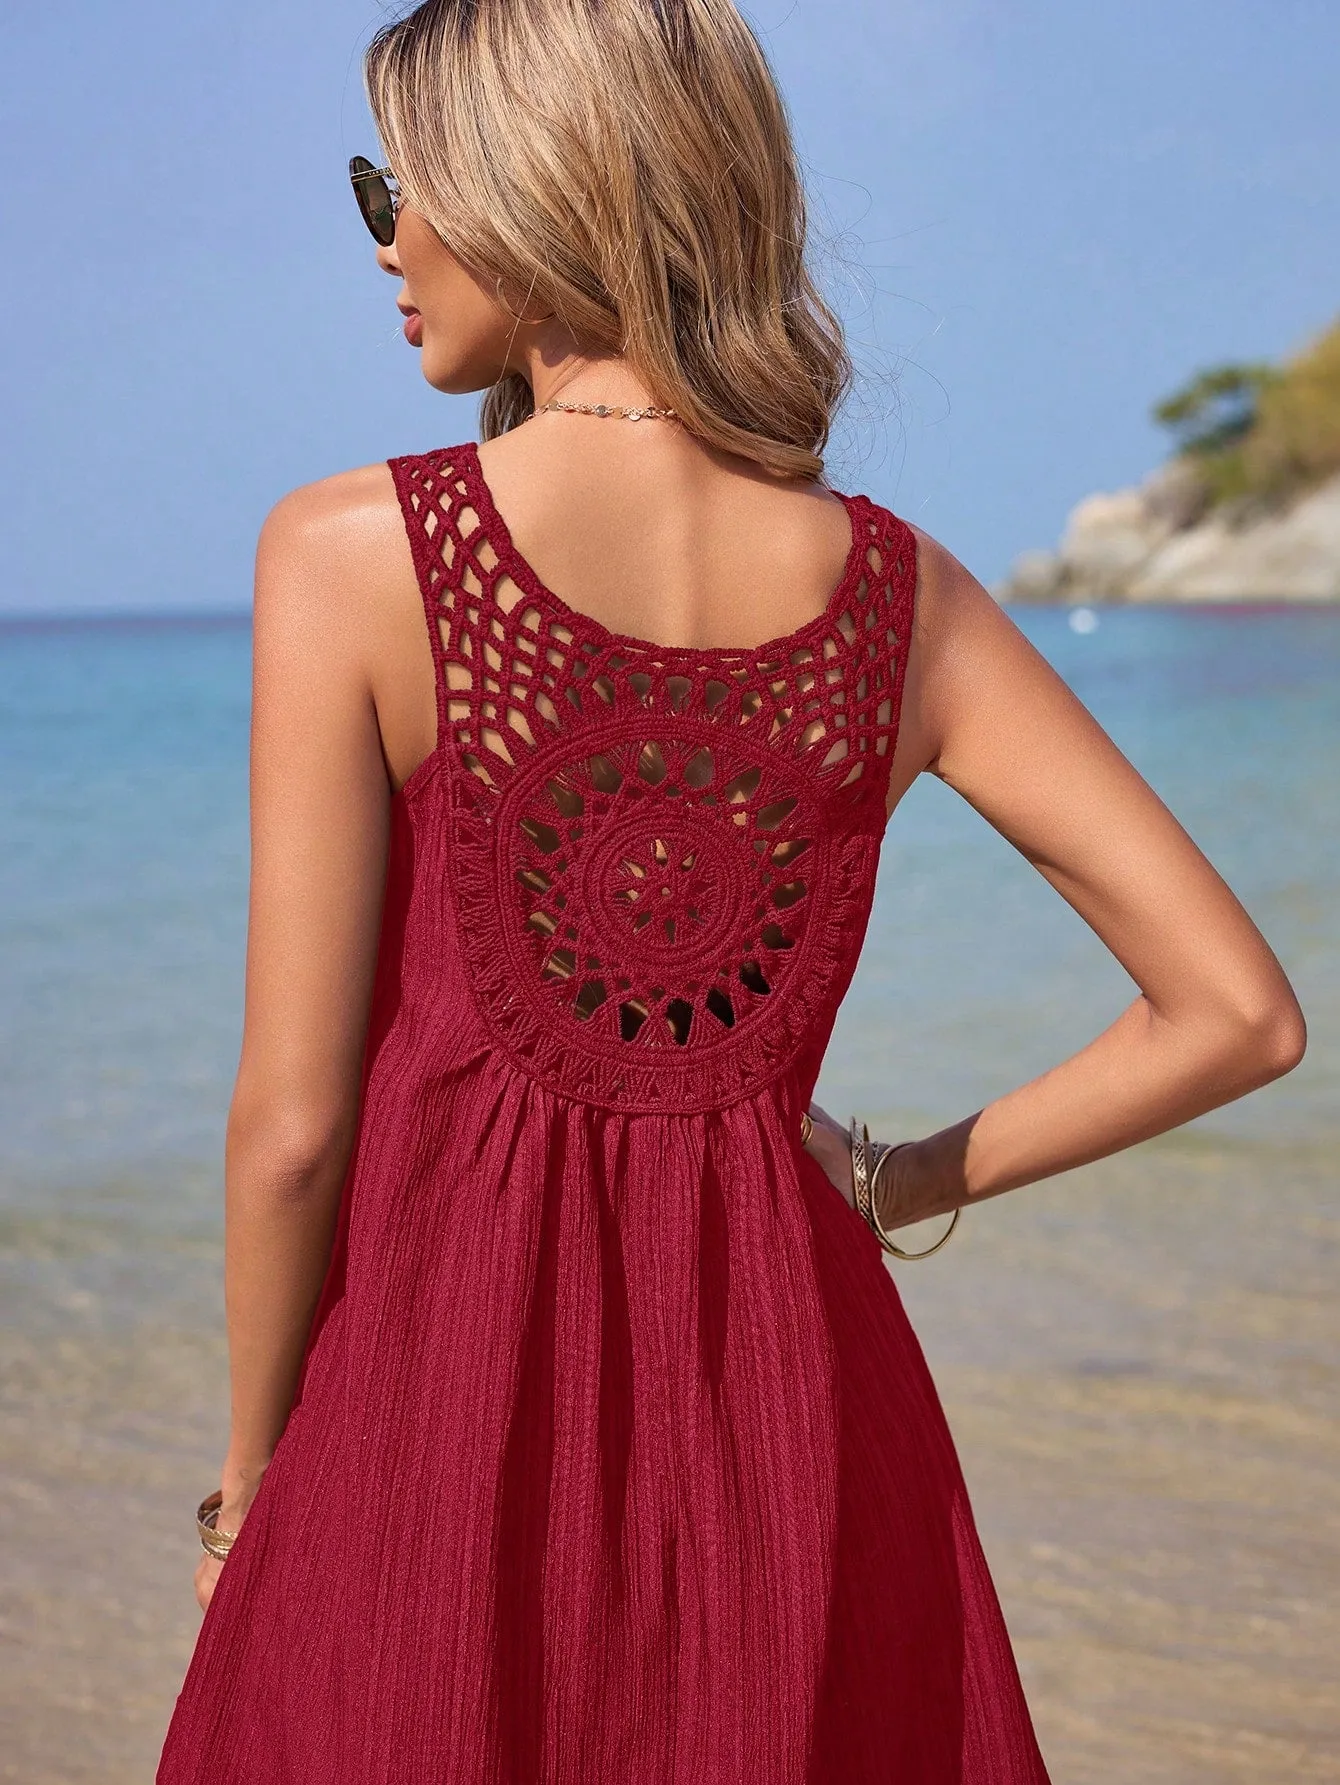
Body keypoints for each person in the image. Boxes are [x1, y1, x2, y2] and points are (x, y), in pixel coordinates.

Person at [156, 1, 1306, 1779]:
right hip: (799, 1425)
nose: (385, 238)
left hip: (428, 1428)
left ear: (532, 184)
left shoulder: (349, 555)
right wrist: (895, 1179)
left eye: (400, 185)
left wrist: (249, 1484)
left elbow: (292, 1132)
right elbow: (1237, 1014)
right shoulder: (903, 600)